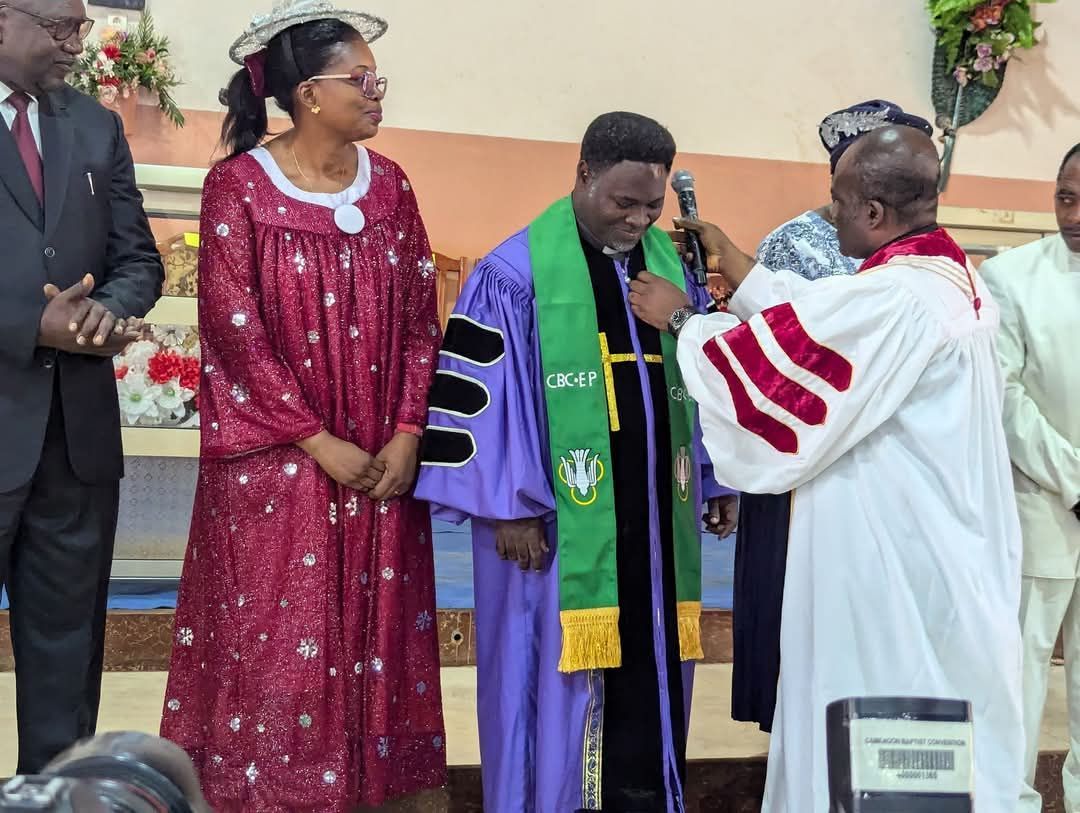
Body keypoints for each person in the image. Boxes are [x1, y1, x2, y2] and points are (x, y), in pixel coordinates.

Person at [628, 125, 1024, 811]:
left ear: (873, 212)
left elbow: (794, 368)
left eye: (837, 199)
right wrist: (741, 267)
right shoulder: (941, 274)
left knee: (879, 734)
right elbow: (822, 325)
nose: (829, 211)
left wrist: (684, 321)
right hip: (933, 546)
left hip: (890, 564)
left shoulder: (897, 298)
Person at [158, 4, 446, 810]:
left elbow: (423, 320)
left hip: (382, 468)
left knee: (378, 643)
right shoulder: (238, 188)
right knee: (277, 652)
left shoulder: (390, 187)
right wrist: (317, 439)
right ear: (311, 94)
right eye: (364, 79)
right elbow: (233, 329)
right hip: (280, 468)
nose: (377, 91)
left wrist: (407, 431)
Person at [414, 111, 737, 813]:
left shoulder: (666, 262)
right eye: (624, 202)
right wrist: (509, 505)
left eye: (652, 205)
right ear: (583, 174)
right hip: (551, 528)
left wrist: (710, 477)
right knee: (551, 688)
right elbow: (482, 398)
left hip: (655, 522)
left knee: (651, 675)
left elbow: (697, 375)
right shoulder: (515, 274)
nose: (638, 219)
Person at [0, 0, 163, 775]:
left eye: (81, 26)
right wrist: (29, 326)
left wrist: (103, 314)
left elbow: (139, 259)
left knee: (67, 663)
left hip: (75, 440)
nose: (80, 43)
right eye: (62, 28)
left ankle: (55, 795)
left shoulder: (95, 126)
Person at [733, 100, 928, 735]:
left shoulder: (917, 254)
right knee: (799, 628)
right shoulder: (793, 242)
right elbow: (774, 345)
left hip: (877, 468)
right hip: (802, 456)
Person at [980, 142, 1080, 813]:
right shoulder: (1010, 275)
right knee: (1015, 689)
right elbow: (1005, 397)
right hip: (1042, 508)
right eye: (1065, 195)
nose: (1073, 211)